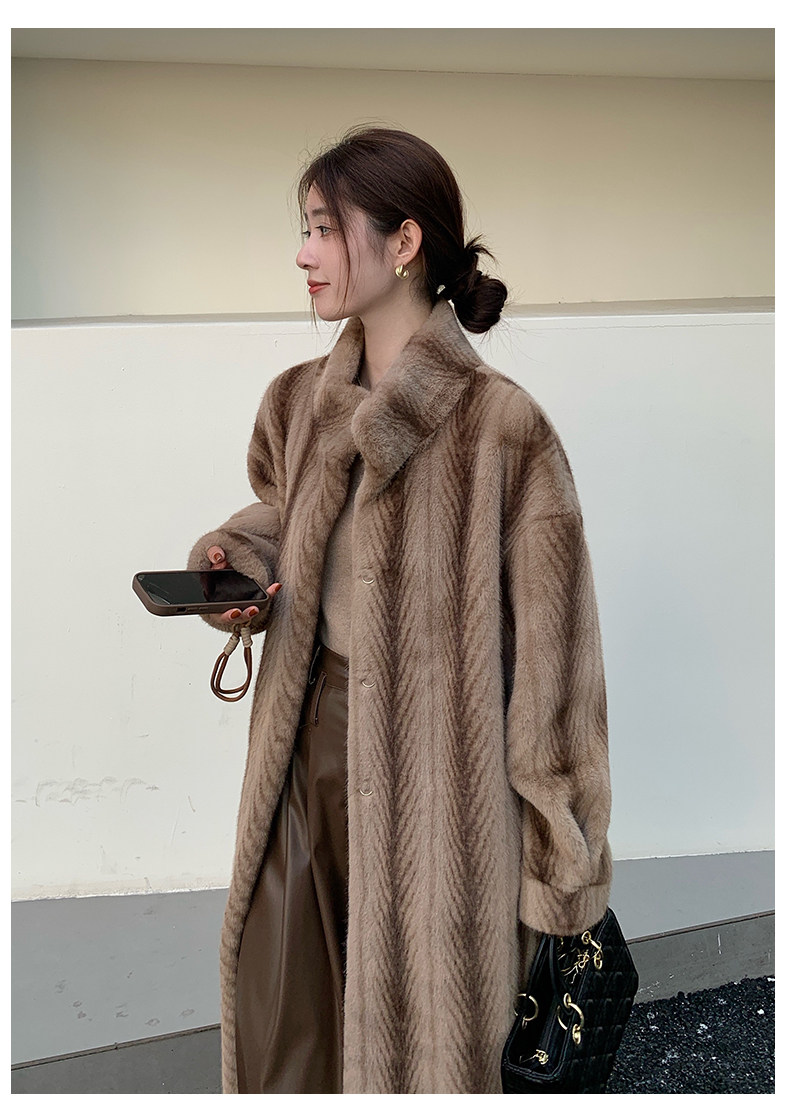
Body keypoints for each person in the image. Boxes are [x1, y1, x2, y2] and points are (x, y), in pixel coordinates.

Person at [187, 124, 613, 1095]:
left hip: (439, 790)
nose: (303, 253)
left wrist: (562, 874)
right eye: (304, 229)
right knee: (287, 1032)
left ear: (405, 242)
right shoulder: (297, 402)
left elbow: (557, 670)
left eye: (323, 228)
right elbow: (287, 516)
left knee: (421, 1047)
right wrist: (239, 562)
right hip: (301, 759)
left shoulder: (504, 429)